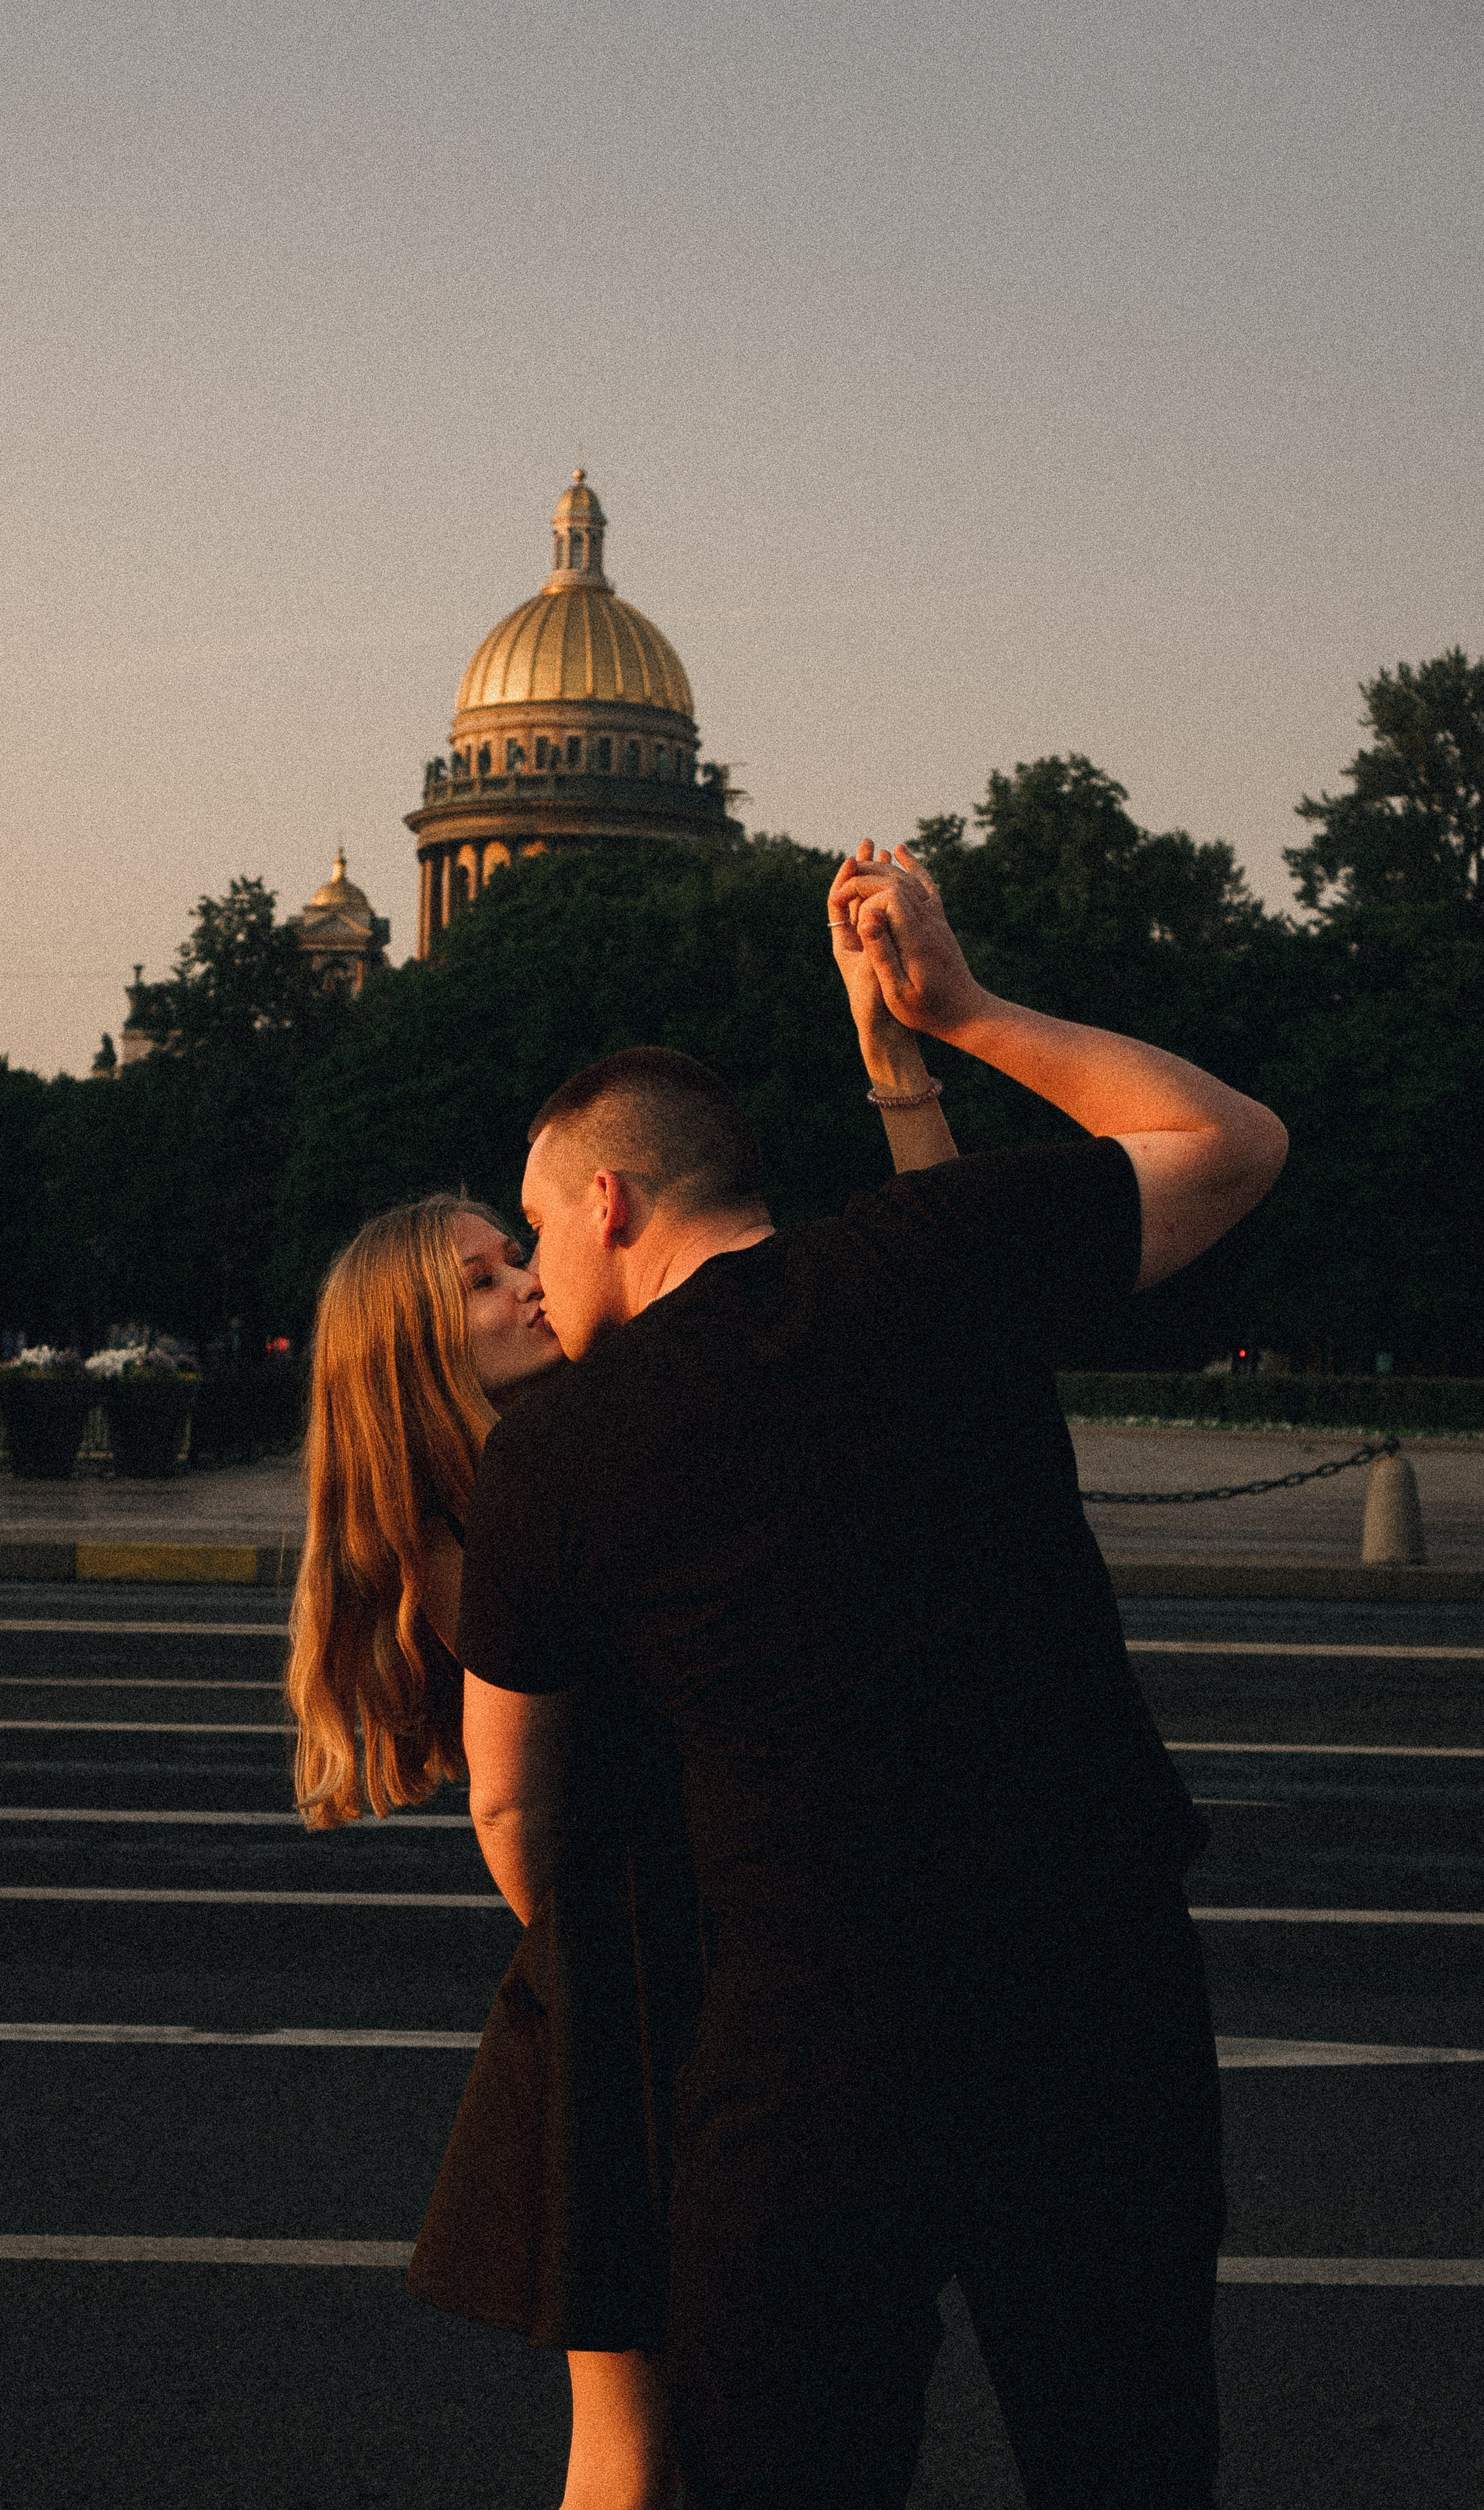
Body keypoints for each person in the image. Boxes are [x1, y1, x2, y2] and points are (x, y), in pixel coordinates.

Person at [456, 842, 1289, 2510]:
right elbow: (1231, 1140)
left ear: (608, 1199)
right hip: (1091, 1996)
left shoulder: (557, 1454)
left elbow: (513, 1801)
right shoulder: (932, 1264)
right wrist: (949, 1017)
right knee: (1124, 2453)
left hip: (800, 2046)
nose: (535, 1275)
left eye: (537, 1222)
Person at [285, 882, 956, 2510]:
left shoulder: (566, 1459)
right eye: (480, 1275)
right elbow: (519, 1814)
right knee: (650, 2441)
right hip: (641, 1996)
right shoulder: (492, 1525)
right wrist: (607, 1963)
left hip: (660, 1985)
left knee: (666, 2435)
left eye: (517, 1249)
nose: (525, 1278)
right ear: (404, 1347)